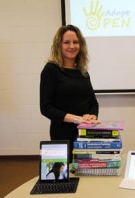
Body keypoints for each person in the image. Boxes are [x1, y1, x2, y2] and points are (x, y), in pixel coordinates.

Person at [40, 25, 99, 162]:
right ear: (58, 45)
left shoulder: (83, 72)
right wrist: (77, 119)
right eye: (66, 42)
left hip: (85, 134)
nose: (72, 46)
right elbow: (46, 108)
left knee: (86, 173)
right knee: (64, 177)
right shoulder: (51, 70)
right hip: (61, 134)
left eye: (76, 42)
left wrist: (92, 115)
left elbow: (93, 102)